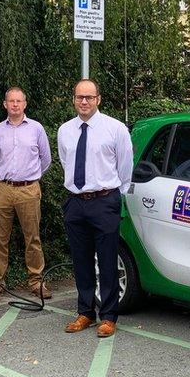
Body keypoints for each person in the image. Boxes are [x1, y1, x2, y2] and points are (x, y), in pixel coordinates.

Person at [57, 79, 133, 338]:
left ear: (98, 99)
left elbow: (125, 167)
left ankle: (109, 316)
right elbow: (64, 161)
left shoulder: (115, 129)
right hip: (76, 202)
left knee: (108, 260)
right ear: (74, 99)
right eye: (80, 97)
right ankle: (85, 312)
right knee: (81, 260)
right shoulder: (65, 130)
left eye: (89, 97)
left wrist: (114, 195)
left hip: (104, 200)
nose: (84, 102)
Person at [0, 87, 52, 302]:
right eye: (11, 101)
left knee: (32, 237)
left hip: (28, 189)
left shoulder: (36, 129)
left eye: (18, 101)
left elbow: (46, 159)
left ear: (25, 104)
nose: (14, 105)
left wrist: (31, 177)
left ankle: (36, 282)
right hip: (2, 188)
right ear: (5, 104)